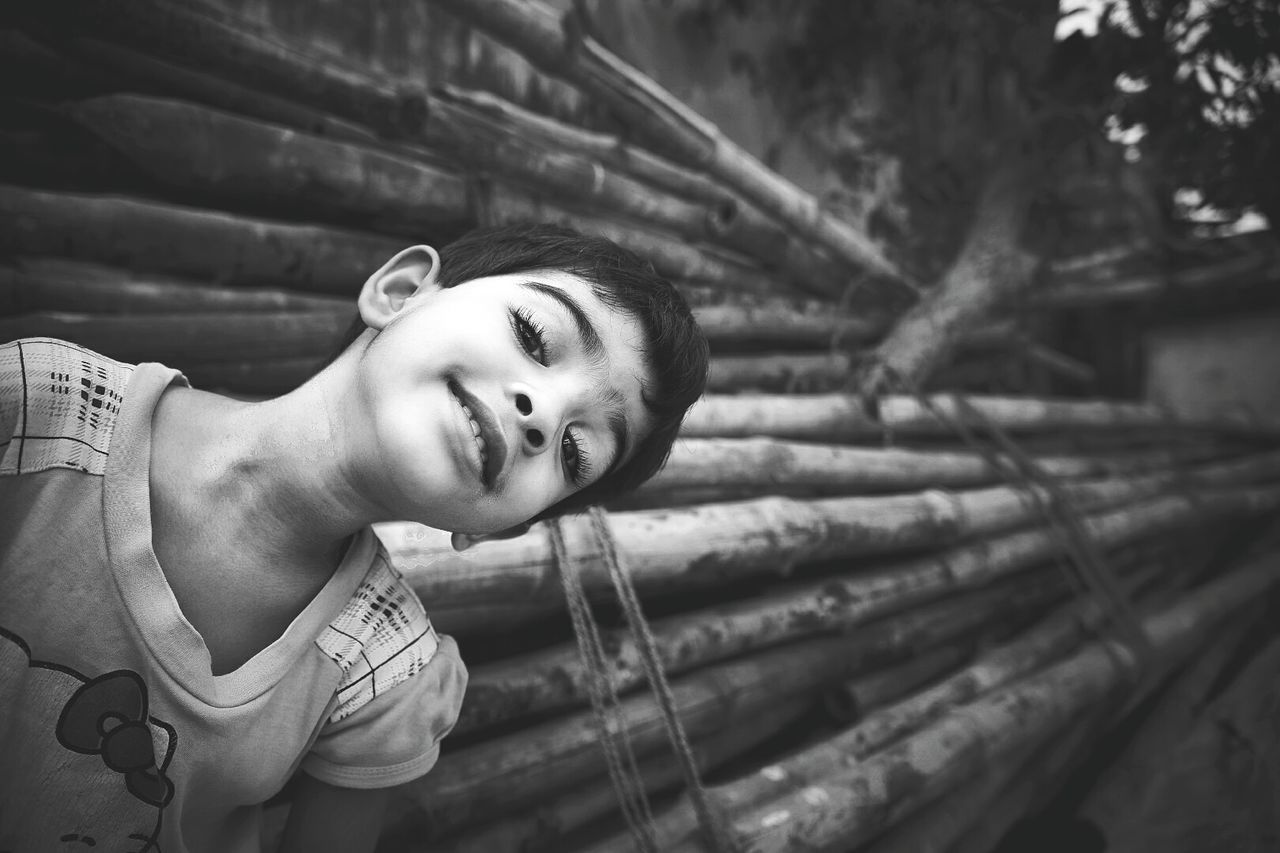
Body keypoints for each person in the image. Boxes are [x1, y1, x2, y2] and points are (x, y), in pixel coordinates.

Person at [0, 223, 709, 852]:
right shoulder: (38, 410)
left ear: (504, 527)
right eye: (533, 334)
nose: (541, 413)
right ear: (399, 291)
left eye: (576, 451)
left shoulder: (384, 674)